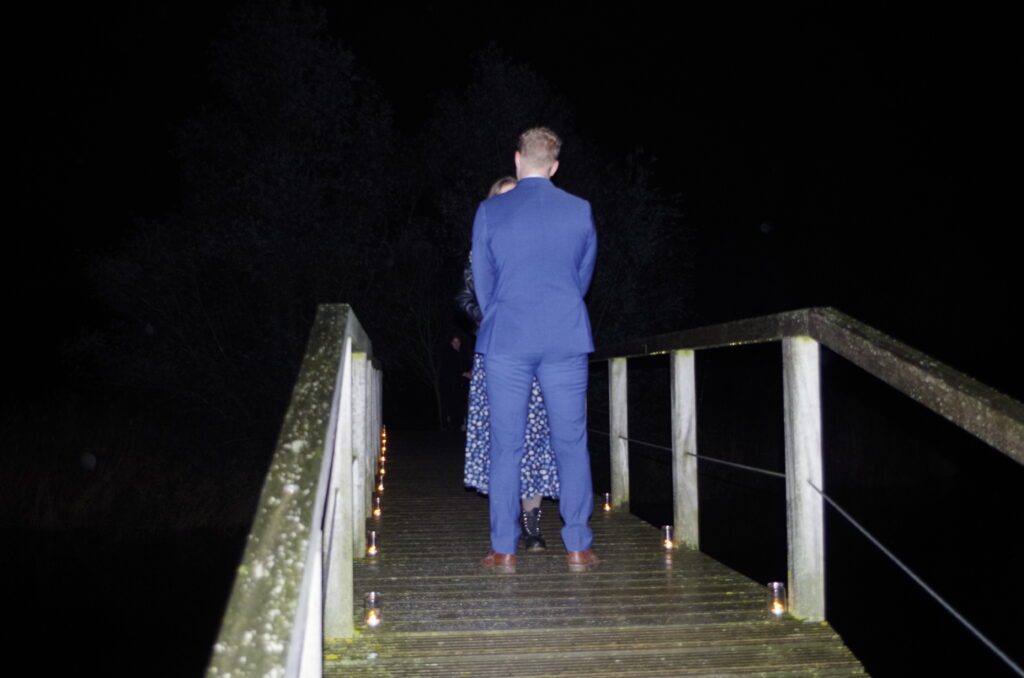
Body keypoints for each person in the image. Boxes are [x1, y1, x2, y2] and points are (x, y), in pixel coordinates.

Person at [472, 127, 599, 573]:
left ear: (518, 159)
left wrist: (503, 315)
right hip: (565, 337)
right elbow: (582, 278)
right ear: (555, 166)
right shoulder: (579, 210)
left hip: (508, 338)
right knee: (572, 443)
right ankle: (578, 545)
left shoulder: (490, 211)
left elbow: (483, 281)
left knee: (506, 446)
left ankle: (504, 549)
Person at [459, 176, 560, 552]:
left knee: (533, 438)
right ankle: (504, 528)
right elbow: (464, 296)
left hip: (534, 353)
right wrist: (489, 318)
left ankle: (532, 524)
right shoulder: (480, 250)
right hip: (495, 352)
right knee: (501, 440)